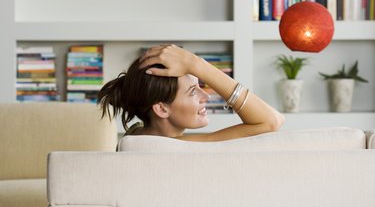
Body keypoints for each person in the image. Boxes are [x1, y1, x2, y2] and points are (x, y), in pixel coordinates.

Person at [97, 44, 284, 141]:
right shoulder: (166, 148)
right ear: (161, 108)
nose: (207, 96)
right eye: (193, 91)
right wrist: (198, 64)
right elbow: (271, 121)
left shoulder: (136, 134)